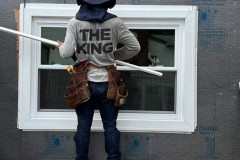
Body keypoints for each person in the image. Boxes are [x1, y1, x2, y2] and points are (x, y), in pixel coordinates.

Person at [56, 0, 140, 159]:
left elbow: (66, 53)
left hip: (83, 83)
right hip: (108, 82)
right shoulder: (116, 23)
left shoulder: (75, 23)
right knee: (110, 127)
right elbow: (134, 47)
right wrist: (111, 57)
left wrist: (61, 47)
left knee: (83, 128)